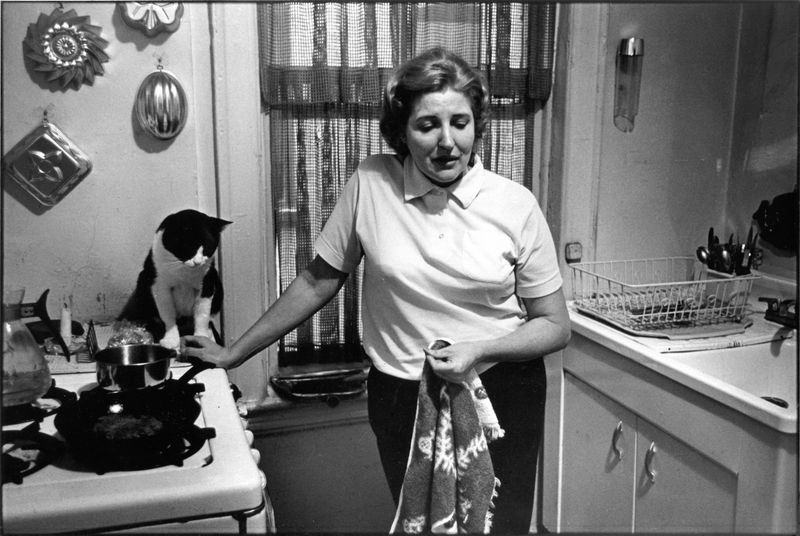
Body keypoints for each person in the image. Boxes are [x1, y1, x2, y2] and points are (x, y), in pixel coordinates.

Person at [181, 46, 571, 534]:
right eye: (428, 125)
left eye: (461, 122)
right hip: (402, 396)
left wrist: (481, 348)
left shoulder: (516, 204)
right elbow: (316, 280)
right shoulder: (370, 182)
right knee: (421, 526)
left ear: (478, 124)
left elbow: (555, 326)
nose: (447, 141)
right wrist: (234, 352)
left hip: (500, 394)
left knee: (499, 528)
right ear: (401, 132)